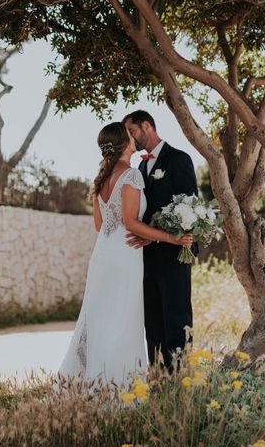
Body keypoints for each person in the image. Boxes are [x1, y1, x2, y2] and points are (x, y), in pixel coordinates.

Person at [58, 121, 192, 385]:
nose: (133, 138)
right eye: (129, 135)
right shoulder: (131, 175)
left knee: (101, 316)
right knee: (122, 318)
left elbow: (100, 225)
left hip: (104, 254)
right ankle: (117, 384)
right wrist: (171, 237)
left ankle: (96, 381)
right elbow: (131, 222)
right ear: (123, 143)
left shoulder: (102, 178)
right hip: (125, 254)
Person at [123, 110, 199, 372]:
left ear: (147, 126)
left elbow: (189, 204)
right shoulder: (140, 168)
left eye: (131, 132)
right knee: (152, 320)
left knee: (177, 318)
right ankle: (157, 376)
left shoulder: (179, 159)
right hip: (146, 256)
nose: (130, 139)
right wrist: (144, 236)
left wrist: (171, 237)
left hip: (174, 252)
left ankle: (180, 377)